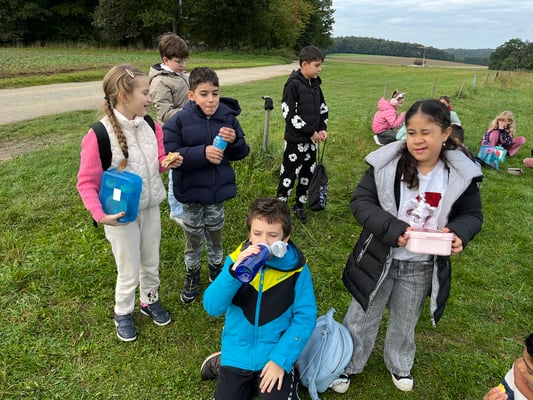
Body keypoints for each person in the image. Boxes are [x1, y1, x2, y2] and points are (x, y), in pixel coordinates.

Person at [336, 98, 483, 393]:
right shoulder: (386, 165)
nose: (417, 140)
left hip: (421, 264)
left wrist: (459, 233)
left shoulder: (459, 174)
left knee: (405, 321)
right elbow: (361, 202)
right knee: (362, 315)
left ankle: (400, 364)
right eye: (412, 132)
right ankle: (347, 364)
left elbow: (472, 214)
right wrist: (393, 229)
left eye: (426, 132)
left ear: (445, 133)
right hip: (379, 258)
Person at [77, 64, 182, 342]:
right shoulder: (99, 135)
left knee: (151, 259)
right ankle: (123, 311)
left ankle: (149, 300)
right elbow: (86, 182)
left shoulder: (150, 125)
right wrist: (100, 215)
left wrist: (168, 162)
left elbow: (157, 161)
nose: (150, 98)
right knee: (128, 267)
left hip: (150, 207)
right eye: (145, 93)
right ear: (124, 96)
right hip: (120, 216)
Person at [203, 197, 317, 400]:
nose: (264, 241)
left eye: (272, 235)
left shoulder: (297, 270)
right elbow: (212, 307)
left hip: (274, 352)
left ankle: (285, 367)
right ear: (249, 235)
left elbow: (305, 318)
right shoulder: (235, 262)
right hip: (238, 351)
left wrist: (280, 360)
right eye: (257, 234)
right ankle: (222, 362)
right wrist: (233, 274)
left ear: (285, 239)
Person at [163, 66, 250, 303]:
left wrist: (235, 140)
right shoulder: (178, 122)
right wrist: (202, 153)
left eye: (215, 93)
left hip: (216, 193)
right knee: (193, 237)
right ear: (191, 95)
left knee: (215, 234)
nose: (211, 99)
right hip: (191, 193)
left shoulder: (228, 118)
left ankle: (216, 269)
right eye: (204, 94)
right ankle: (192, 273)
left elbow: (242, 152)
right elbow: (171, 155)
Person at [276, 45, 328, 224]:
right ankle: (280, 207)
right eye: (317, 65)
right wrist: (310, 131)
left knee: (307, 174)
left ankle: (300, 204)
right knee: (289, 174)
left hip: (312, 142)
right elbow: (289, 114)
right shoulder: (292, 85)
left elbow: (323, 109)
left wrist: (322, 128)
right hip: (295, 141)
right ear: (304, 64)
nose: (320, 69)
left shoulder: (316, 86)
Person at [148, 32, 190, 227]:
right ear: (165, 60)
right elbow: (165, 114)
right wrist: (191, 110)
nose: (183, 65)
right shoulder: (160, 81)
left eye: (185, 60)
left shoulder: (179, 75)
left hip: (186, 129)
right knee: (176, 170)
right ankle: (176, 211)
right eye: (179, 61)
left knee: (186, 166)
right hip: (172, 133)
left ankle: (187, 202)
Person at [483, 333, 533, 400]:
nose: (519, 366)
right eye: (523, 359)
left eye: (530, 371)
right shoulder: (518, 374)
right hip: (511, 387)